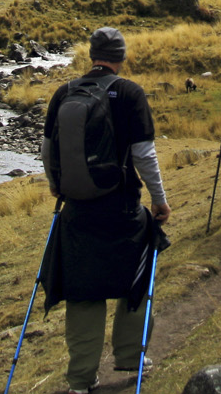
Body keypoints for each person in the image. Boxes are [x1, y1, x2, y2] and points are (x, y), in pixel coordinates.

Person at [40, 27, 170, 394]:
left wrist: (56, 185)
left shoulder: (64, 92)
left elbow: (47, 150)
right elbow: (144, 155)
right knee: (137, 276)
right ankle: (130, 356)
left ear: (91, 55)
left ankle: (81, 378)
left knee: (83, 291)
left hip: (77, 210)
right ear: (121, 57)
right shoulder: (130, 93)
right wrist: (159, 201)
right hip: (122, 208)